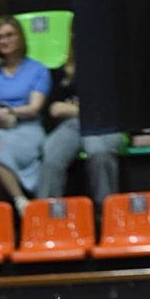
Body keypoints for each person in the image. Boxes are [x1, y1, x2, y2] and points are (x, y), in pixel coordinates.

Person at [0, 16, 51, 217]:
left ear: (20, 37)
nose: (4, 41)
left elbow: (34, 107)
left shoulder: (38, 70)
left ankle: (2, 211)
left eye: (9, 35)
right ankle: (19, 202)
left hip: (28, 129)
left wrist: (10, 111)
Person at [36, 38, 122, 218]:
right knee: (51, 154)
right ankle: (46, 216)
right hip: (71, 125)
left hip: (103, 124)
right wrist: (88, 109)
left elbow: (112, 107)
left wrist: (75, 108)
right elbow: (54, 109)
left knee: (100, 153)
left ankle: (107, 216)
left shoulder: (112, 69)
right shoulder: (63, 72)